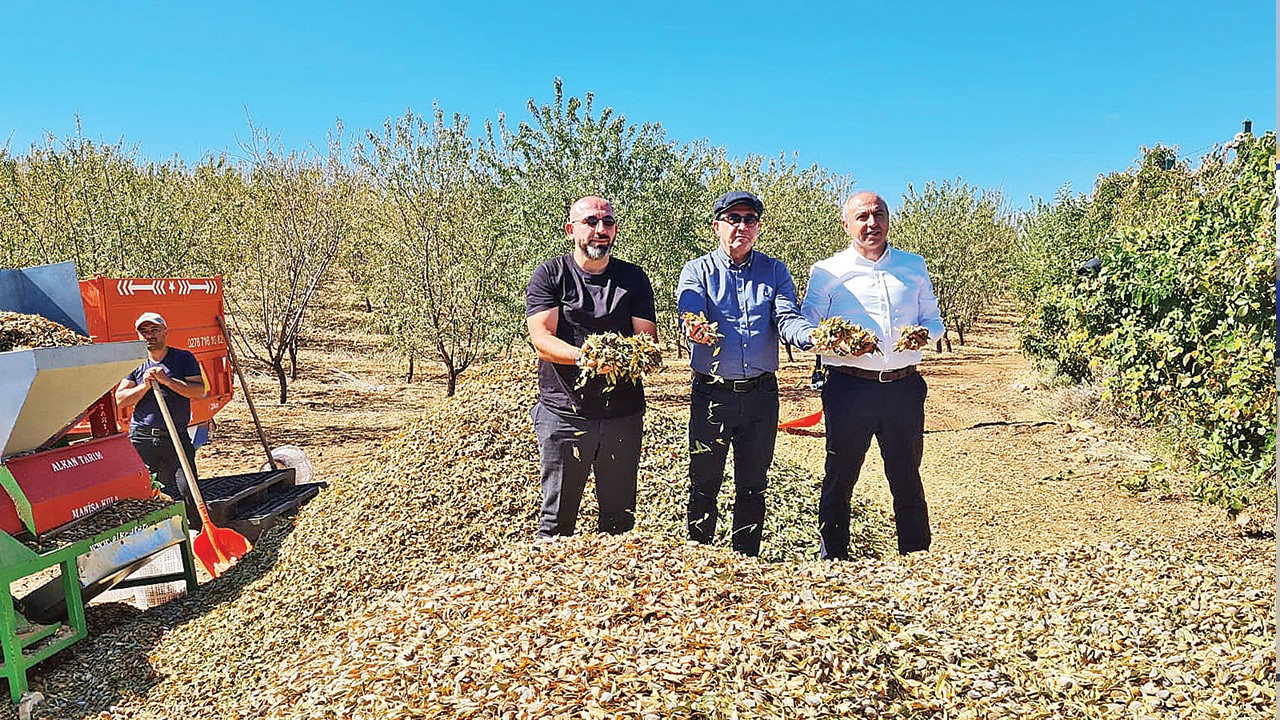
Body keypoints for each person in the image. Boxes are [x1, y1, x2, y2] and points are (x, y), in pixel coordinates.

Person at [801, 191, 945, 557]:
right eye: (862, 217)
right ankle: (833, 555)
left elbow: (934, 319)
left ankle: (916, 556)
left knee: (906, 474)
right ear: (846, 224)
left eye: (878, 215)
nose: (871, 224)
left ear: (888, 219)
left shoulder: (913, 266)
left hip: (903, 387)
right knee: (840, 474)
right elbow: (809, 326)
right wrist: (842, 345)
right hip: (849, 388)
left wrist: (924, 334)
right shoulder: (827, 271)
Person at [676, 190, 817, 557]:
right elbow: (689, 306)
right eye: (733, 219)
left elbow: (787, 317)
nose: (742, 226)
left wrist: (811, 337)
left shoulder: (774, 271)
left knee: (753, 484)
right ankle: (699, 556)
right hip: (712, 395)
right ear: (717, 226)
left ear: (757, 227)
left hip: (761, 395)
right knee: (704, 482)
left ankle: (745, 561)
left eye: (750, 220)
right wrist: (693, 325)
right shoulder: (697, 270)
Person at [526, 195, 658, 538]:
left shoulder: (633, 278)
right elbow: (542, 338)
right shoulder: (551, 274)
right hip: (565, 415)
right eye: (591, 222)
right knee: (556, 522)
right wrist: (584, 357)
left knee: (619, 522)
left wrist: (623, 357)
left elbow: (647, 341)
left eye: (608, 223)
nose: (601, 230)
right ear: (571, 230)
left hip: (622, 417)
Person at [115, 311, 208, 530]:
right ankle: (153, 535)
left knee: (187, 487)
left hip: (174, 436)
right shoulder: (135, 364)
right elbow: (121, 400)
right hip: (142, 438)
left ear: (166, 332)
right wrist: (145, 385)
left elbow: (199, 391)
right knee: (145, 490)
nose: (149, 335)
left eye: (154, 330)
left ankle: (196, 532)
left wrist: (167, 381)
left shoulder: (183, 358)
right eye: (144, 331)